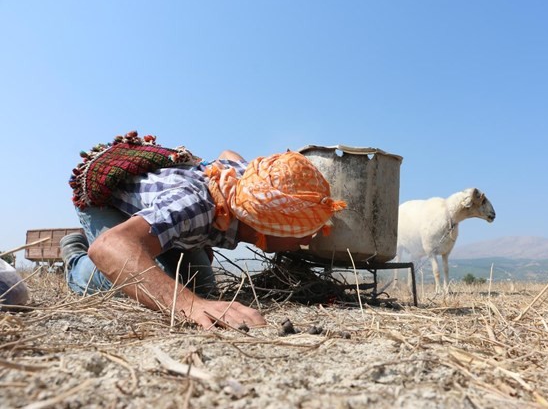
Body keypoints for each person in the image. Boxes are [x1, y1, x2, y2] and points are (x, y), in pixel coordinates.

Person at [61, 132, 346, 330]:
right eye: (304, 230)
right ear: (266, 224)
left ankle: (152, 236)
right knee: (172, 285)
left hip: (168, 213)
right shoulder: (194, 207)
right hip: (107, 194)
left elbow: (228, 154)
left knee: (199, 283)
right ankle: (75, 257)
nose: (310, 238)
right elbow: (110, 246)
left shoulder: (247, 185)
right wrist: (191, 305)